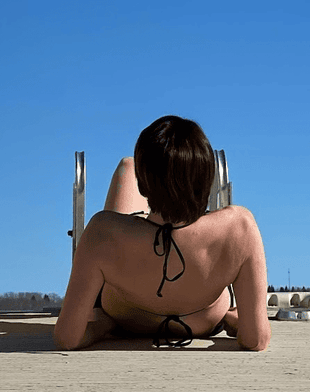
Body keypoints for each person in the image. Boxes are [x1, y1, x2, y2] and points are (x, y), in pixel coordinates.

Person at [54, 115, 270, 351]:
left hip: (125, 320)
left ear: (142, 184)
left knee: (127, 165)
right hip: (202, 321)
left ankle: (150, 177)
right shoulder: (239, 227)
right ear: (208, 181)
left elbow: (67, 338)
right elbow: (256, 340)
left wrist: (102, 328)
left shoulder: (102, 231)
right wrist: (236, 320)